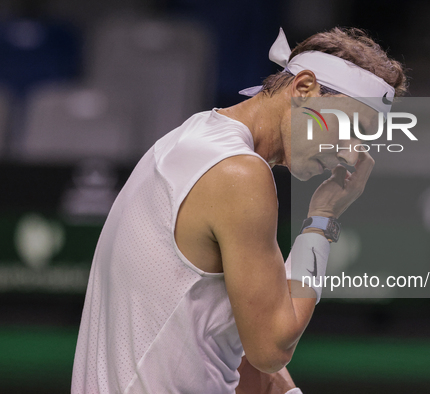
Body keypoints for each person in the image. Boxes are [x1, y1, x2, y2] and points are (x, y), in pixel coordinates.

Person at [72, 27, 407, 394]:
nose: (350, 153)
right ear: (304, 89)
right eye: (351, 128)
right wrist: (323, 219)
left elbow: (232, 343)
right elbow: (271, 348)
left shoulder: (194, 137)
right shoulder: (239, 173)